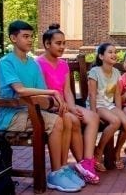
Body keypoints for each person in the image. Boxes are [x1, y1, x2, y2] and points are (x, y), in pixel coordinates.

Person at [0, 20, 84, 192]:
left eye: (31, 37)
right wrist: (52, 93)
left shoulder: (32, 64)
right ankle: (56, 173)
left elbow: (42, 93)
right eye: (25, 36)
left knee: (65, 118)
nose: (29, 40)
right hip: (11, 116)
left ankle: (62, 169)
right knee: (57, 122)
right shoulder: (6, 62)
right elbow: (20, 90)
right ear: (13, 38)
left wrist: (56, 104)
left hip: (31, 112)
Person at [36, 23, 101, 184]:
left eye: (64, 43)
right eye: (58, 43)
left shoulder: (63, 64)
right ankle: (79, 167)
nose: (62, 47)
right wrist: (67, 109)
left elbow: (67, 91)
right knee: (73, 120)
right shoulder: (38, 64)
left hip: (65, 104)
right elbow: (43, 93)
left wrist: (72, 107)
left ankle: (86, 162)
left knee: (93, 117)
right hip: (50, 106)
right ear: (46, 44)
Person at [87, 42, 126, 171]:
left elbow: (117, 94)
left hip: (109, 105)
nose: (114, 54)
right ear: (101, 56)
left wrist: (119, 110)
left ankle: (116, 152)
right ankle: (98, 152)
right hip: (97, 105)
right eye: (110, 52)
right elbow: (92, 95)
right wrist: (94, 113)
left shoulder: (116, 72)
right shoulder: (95, 72)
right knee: (115, 121)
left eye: (115, 52)